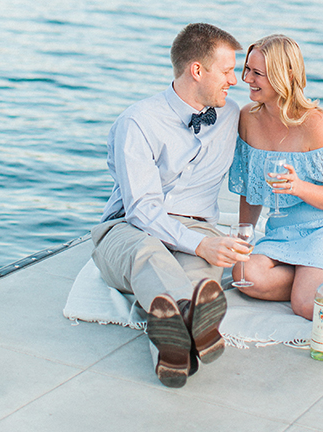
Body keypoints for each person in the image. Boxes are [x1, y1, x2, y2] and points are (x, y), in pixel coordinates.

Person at [91, 23, 249, 388]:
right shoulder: (137, 122)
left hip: (196, 224)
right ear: (197, 70)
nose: (234, 80)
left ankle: (174, 353)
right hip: (128, 227)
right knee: (149, 256)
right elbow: (142, 211)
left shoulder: (231, 114)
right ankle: (192, 322)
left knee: (199, 280)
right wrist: (201, 244)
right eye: (227, 71)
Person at [228, 34, 323, 319]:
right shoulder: (248, 118)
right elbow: (250, 190)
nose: (247, 79)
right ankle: (309, 279)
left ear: (286, 76)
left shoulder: (316, 124)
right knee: (244, 275)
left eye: (257, 73)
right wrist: (244, 237)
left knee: (305, 305)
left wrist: (299, 187)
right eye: (247, 69)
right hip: (283, 231)